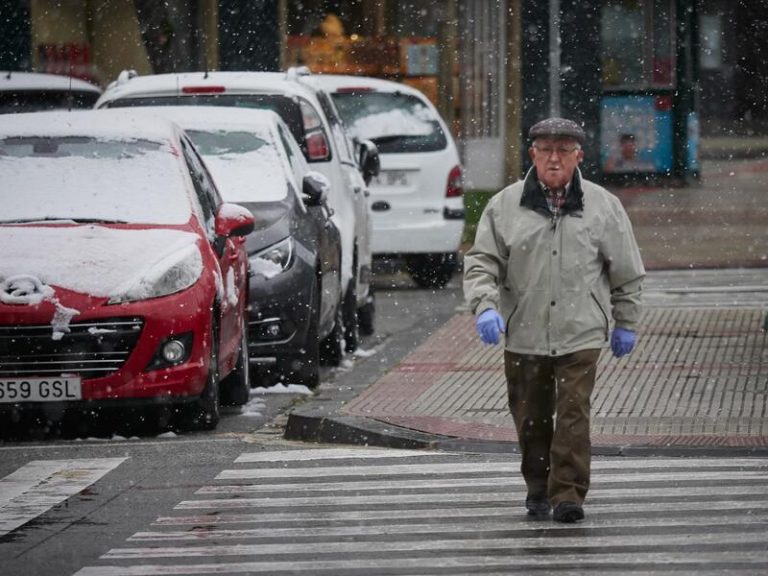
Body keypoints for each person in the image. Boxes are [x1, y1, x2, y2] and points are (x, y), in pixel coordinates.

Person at [463, 117, 645, 523]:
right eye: (546, 150)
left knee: (574, 413)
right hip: (524, 332)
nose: (554, 158)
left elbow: (627, 271)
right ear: (533, 154)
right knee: (531, 417)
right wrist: (485, 306)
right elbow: (481, 263)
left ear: (579, 156)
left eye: (564, 150)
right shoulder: (504, 206)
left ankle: (568, 494)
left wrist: (626, 321)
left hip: (581, 332)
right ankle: (537, 486)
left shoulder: (603, 206)